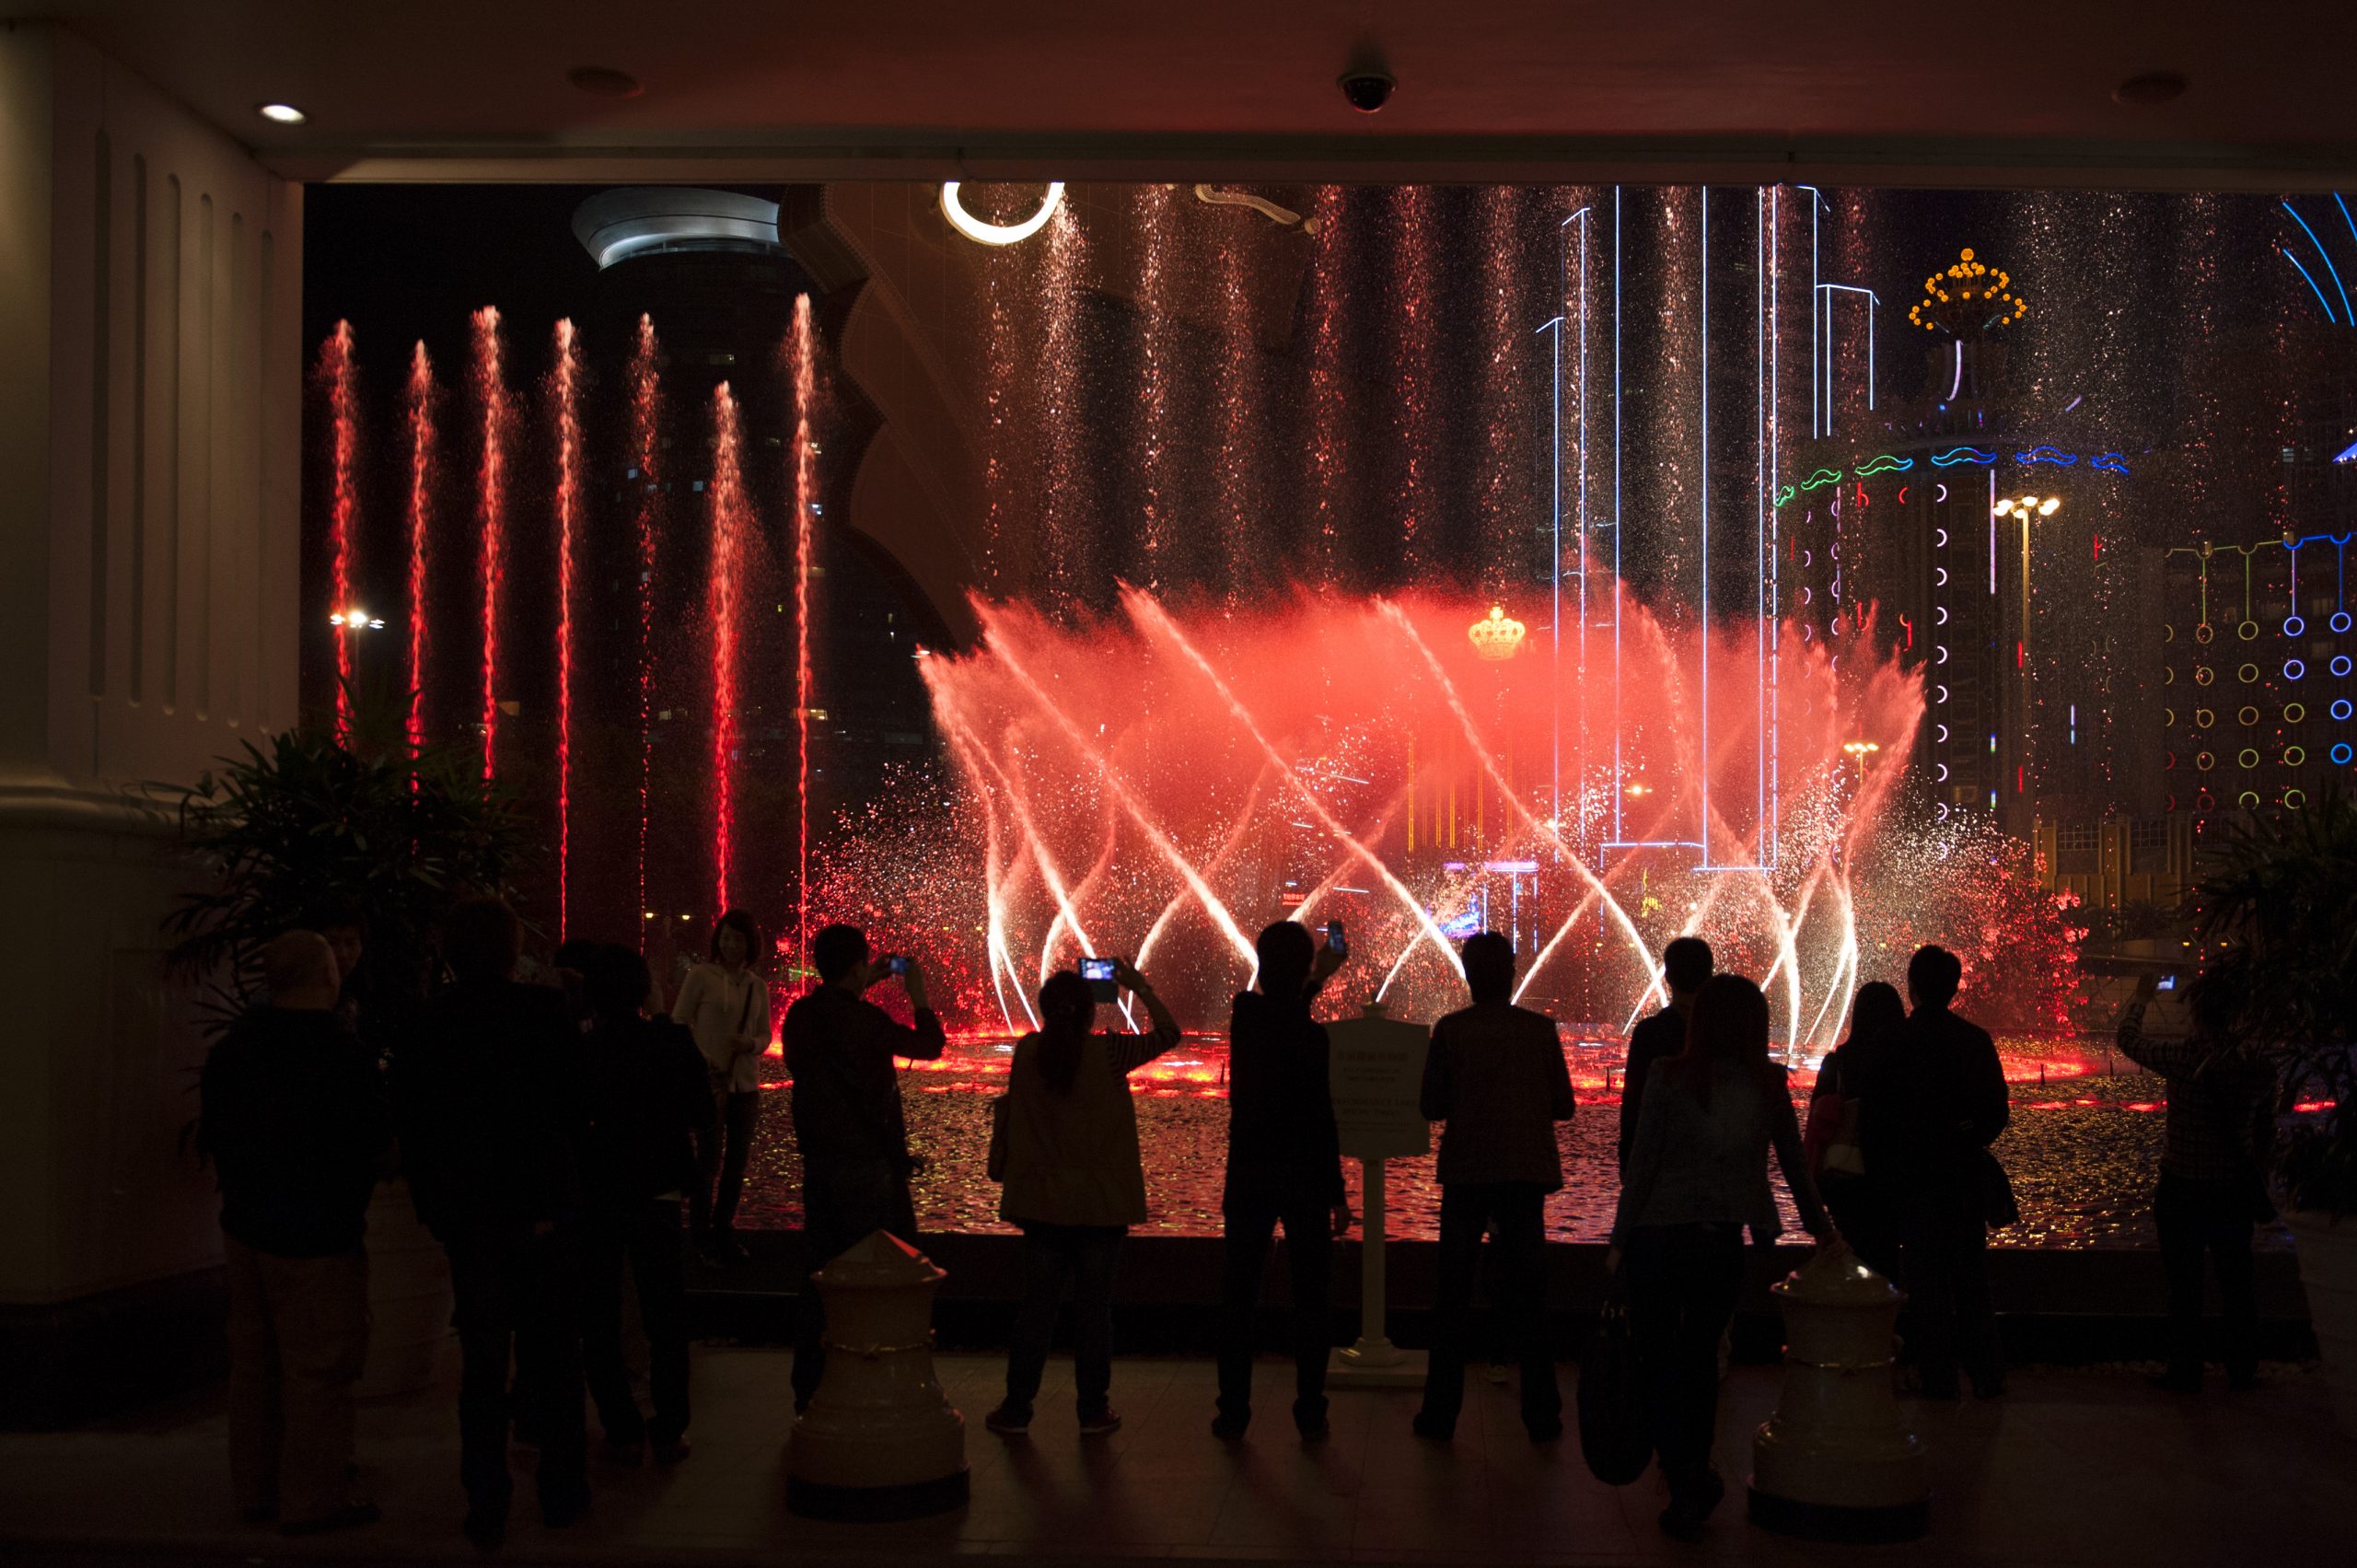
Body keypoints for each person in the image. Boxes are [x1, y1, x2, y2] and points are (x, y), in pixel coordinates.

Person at [396, 897, 590, 1551]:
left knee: (481, 1364)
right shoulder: (543, 1013)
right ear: (511, 951)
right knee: (555, 1355)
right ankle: (562, 1495)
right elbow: (575, 1108)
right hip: (538, 1214)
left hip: (470, 1219)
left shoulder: (428, 1022)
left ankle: (485, 1503)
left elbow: (415, 1126)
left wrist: (437, 1209)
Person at [1609, 973, 1832, 1540]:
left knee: (1658, 1360)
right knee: (1700, 1359)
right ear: (1755, 1028)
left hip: (1656, 1240)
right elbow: (1795, 1169)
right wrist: (1824, 1234)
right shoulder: (1768, 1085)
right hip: (1718, 1244)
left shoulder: (1668, 1075)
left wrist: (1617, 1239)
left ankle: (1682, 1476)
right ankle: (1693, 1471)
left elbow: (1641, 1165)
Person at [200, 930, 388, 1537]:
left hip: (246, 1225)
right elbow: (367, 1146)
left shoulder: (234, 1049)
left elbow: (217, 1134)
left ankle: (254, 1488)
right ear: (329, 977)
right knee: (319, 1368)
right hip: (318, 1232)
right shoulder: (342, 1055)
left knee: (253, 1365)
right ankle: (312, 1498)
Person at [986, 958, 1181, 1437]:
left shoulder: (1026, 1052)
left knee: (1036, 1308)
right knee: (1094, 1312)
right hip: (1099, 1207)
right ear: (1090, 1013)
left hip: (1042, 1206)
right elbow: (1169, 1034)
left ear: (1046, 1010)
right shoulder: (1111, 1053)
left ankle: (1017, 1409)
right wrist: (1139, 986)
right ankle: (1093, 1410)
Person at [1413, 932, 1577, 1444]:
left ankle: (1440, 1417)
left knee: (1452, 1298)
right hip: (1525, 1176)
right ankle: (1543, 1416)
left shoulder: (1451, 1030)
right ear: (1511, 973)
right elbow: (1566, 1106)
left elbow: (1431, 1107)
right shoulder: (1539, 1030)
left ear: (1466, 975)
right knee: (1532, 1297)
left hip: (1467, 1174)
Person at [780, 923, 946, 1410]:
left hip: (820, 1169)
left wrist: (859, 982)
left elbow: (824, 1035)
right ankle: (891, 1376)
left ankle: (808, 1390)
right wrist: (917, 996)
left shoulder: (798, 1017)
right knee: (896, 1272)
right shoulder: (870, 1023)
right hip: (871, 1172)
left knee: (819, 1278)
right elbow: (929, 1046)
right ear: (857, 967)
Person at [578, 944, 719, 1462]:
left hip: (598, 1194)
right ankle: (669, 1426)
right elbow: (704, 1114)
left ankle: (619, 1425)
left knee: (601, 1315)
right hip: (657, 1190)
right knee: (665, 1315)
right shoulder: (671, 1040)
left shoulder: (585, 1048)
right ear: (644, 989)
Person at [1213, 921, 1352, 1441]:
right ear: (1301, 972)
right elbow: (1323, 1117)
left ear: (1259, 961)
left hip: (1249, 1173)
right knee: (1312, 1298)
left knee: (1239, 1295)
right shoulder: (1313, 1038)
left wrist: (1314, 977)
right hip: (1305, 1179)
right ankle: (1311, 1407)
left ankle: (1233, 1411)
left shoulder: (1244, 1015)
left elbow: (1280, 1011)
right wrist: (1337, 1191)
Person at [2118, 970, 2276, 1392]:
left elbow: (2128, 1041)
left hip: (2182, 1188)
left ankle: (2186, 1369)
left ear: (2197, 1014)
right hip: (2230, 1190)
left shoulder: (2183, 1057)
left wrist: (2140, 997)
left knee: (2184, 1285)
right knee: (2236, 1282)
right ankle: (2242, 1368)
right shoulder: (2255, 1064)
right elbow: (2266, 1127)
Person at [1878, 943, 2012, 1400]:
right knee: (1971, 1279)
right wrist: (1965, 1136)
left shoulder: (1897, 1042)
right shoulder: (1974, 1040)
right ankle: (1988, 1375)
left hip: (1915, 1181)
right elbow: (1996, 1112)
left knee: (1926, 1283)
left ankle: (1938, 1377)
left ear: (1910, 986)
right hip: (1962, 1179)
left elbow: (1882, 1116)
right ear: (1955, 988)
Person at [673, 910, 772, 1263]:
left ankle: (723, 1229)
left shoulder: (757, 985)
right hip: (709, 1082)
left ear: (750, 944)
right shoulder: (701, 975)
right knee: (708, 1161)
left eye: (738, 939)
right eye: (726, 938)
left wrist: (752, 1045)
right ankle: (700, 1235)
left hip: (746, 1085)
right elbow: (680, 1023)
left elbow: (766, 1033)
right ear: (718, 940)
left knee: (737, 1163)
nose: (731, 944)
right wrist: (702, 1059)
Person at [1805, 981, 1909, 1280]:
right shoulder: (1902, 1062)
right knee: (1886, 1256)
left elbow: (1818, 1116)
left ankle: (1845, 1316)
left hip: (1844, 1175)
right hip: (1891, 1177)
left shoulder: (1838, 1062)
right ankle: (1885, 1318)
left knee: (1847, 1253)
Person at [1620, 936, 1713, 1172]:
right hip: (1714, 1161)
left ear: (1668, 977)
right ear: (1710, 976)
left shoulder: (1650, 1032)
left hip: (1664, 1162)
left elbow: (1634, 1101)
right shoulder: (1727, 1032)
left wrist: (1628, 1160)